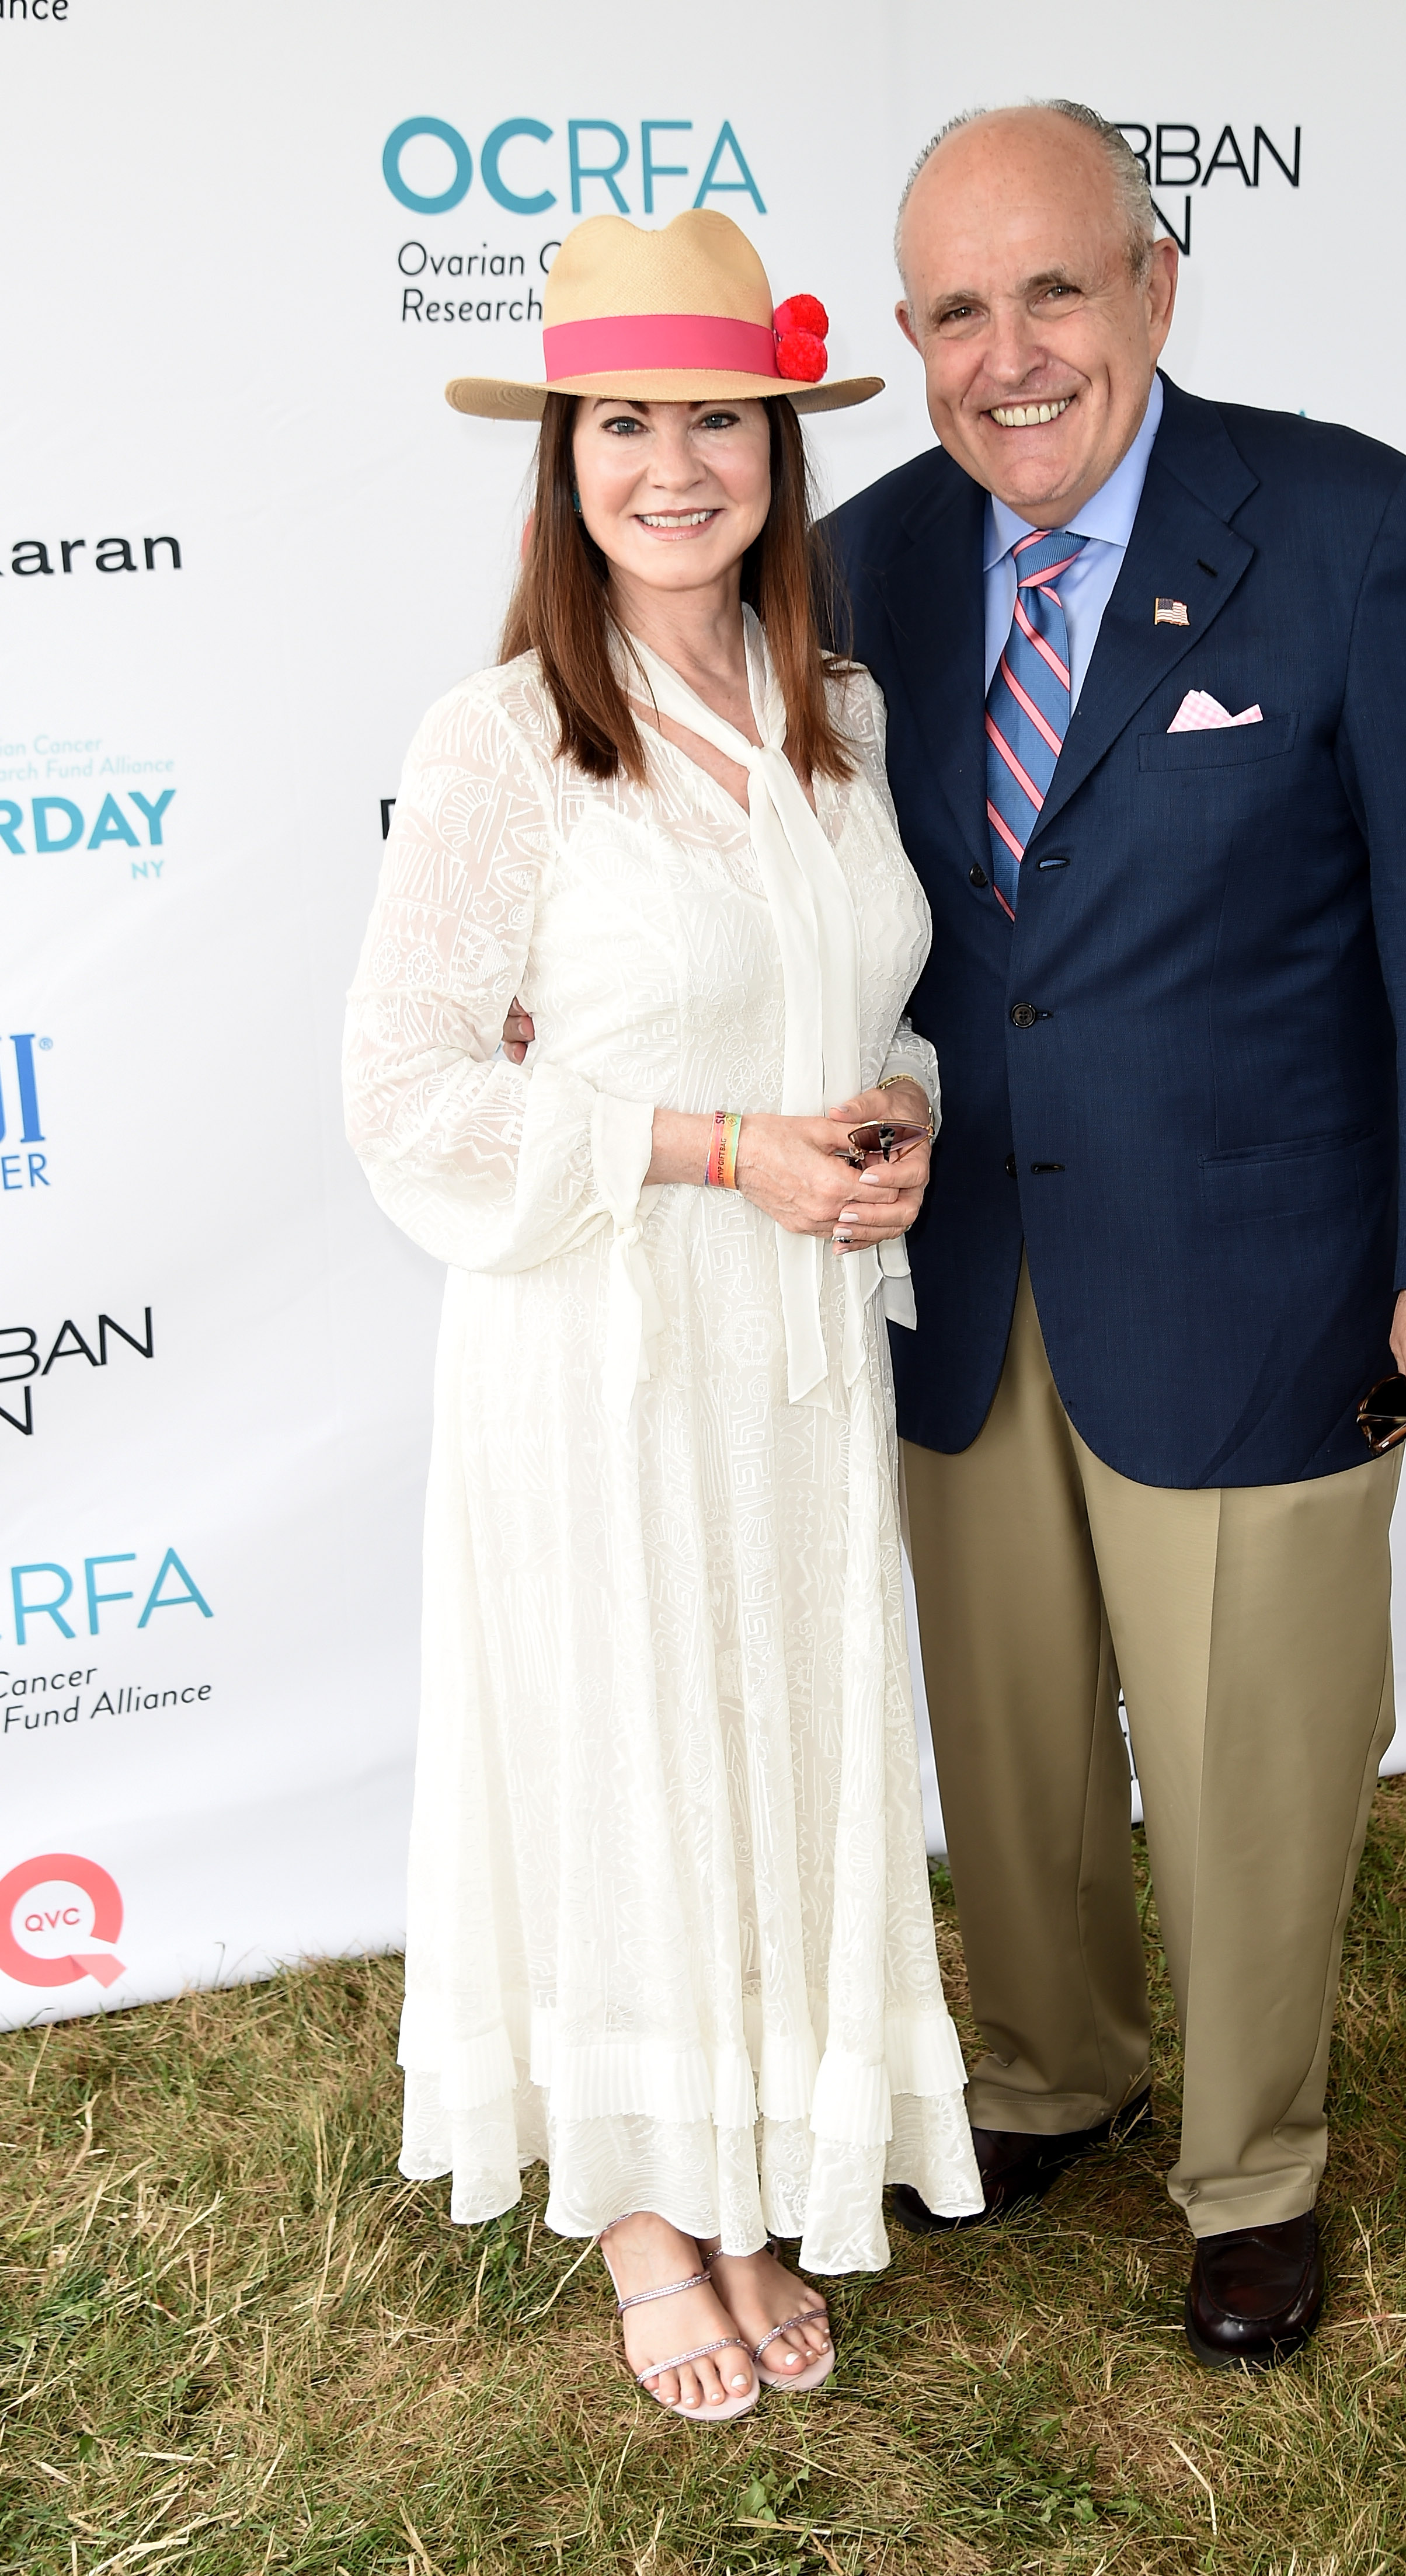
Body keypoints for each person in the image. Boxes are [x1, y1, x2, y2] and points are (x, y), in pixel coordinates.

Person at [823, 101, 1406, 2370]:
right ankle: (1052, 2073)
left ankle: (1252, 2170)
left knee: (1247, 1760)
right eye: (957, 310)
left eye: (1055, 290)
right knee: (1011, 1734)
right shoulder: (857, 566)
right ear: (914, 340)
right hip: (966, 1288)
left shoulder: (1349, 530)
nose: (1009, 355)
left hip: (1257, 1284)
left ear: (1157, 284)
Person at [344, 206, 981, 2427]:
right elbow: (407, 1096)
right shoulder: (507, 737)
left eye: (717, 416)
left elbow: (860, 994)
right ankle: (644, 2209)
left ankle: (751, 2150)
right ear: (565, 455)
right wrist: (720, 1151)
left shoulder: (845, 714)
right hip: (601, 1339)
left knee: (765, 1721)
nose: (675, 462)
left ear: (776, 447)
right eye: (627, 420)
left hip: (798, 1349)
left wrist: (892, 1107)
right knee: (625, 1732)